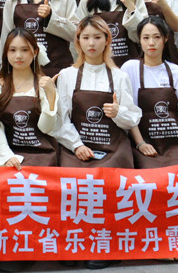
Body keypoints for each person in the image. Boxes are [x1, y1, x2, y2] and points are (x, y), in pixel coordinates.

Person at [53, 16, 141, 170]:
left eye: (97, 37)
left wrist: (118, 113)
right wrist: (77, 145)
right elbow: (61, 119)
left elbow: (133, 118)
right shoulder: (67, 75)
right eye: (86, 38)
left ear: (107, 40)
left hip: (114, 150)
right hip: (75, 149)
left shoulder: (120, 76)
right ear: (78, 41)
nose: (91, 43)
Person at [121, 17, 178, 168]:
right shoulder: (129, 68)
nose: (151, 43)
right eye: (146, 38)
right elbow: (128, 112)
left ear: (166, 38)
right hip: (144, 138)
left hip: (175, 137)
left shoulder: (176, 72)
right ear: (139, 40)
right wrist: (140, 143)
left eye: (156, 37)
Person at [0, 28, 60, 167]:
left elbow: (46, 128)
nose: (18, 56)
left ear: (35, 52)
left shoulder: (44, 84)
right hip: (8, 154)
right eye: (12, 50)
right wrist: (6, 155)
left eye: (24, 50)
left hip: (42, 154)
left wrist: (51, 95)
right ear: (6, 53)